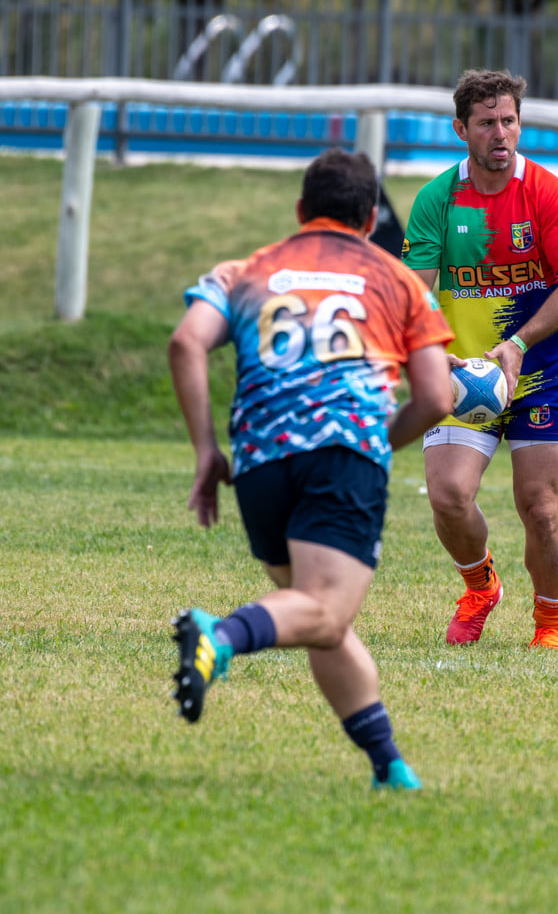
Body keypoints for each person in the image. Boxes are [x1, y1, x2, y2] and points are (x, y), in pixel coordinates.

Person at [167, 150, 455, 790]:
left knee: (320, 617)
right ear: (371, 217)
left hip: (260, 463)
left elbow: (187, 341)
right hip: (341, 456)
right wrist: (374, 441)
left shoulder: (247, 269)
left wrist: (206, 450)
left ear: (301, 211)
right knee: (322, 612)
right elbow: (437, 399)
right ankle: (222, 637)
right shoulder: (399, 280)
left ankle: (390, 767)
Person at [401, 69, 558, 649]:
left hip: (539, 371)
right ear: (461, 129)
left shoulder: (544, 191)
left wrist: (517, 344)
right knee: (448, 495)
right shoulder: (438, 199)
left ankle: (550, 619)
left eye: (509, 121)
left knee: (540, 509)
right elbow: (415, 293)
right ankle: (481, 585)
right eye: (486, 123)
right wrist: (435, 355)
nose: (500, 133)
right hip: (464, 377)